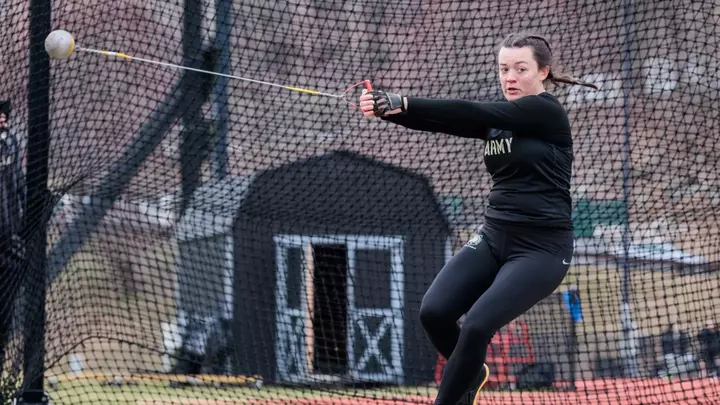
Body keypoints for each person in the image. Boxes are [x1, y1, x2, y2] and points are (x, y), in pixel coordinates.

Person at [359, 32, 597, 405]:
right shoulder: (498, 120)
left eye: (521, 69)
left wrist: (403, 100)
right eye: (504, 69)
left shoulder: (546, 112)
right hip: (493, 237)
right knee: (434, 313)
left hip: (542, 249)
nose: (510, 77)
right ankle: (472, 371)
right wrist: (389, 111)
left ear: (543, 72)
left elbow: (474, 111)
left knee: (477, 325)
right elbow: (443, 121)